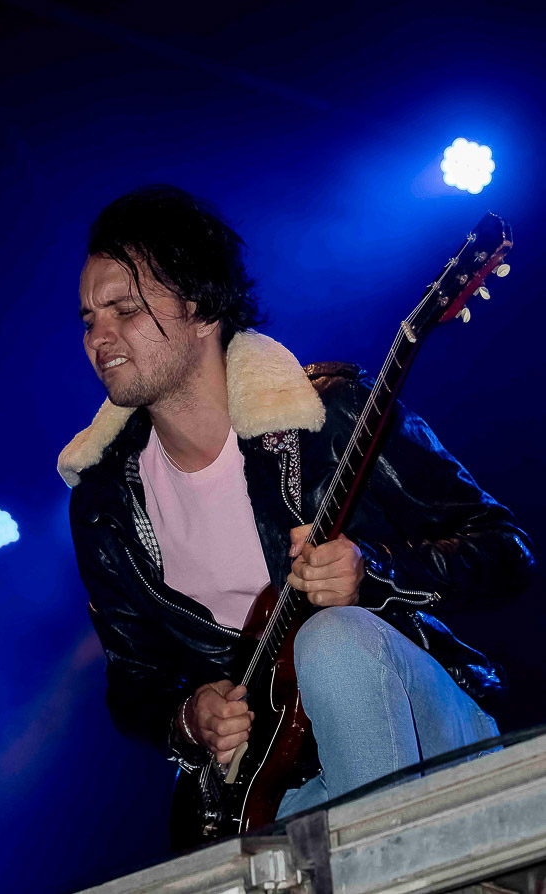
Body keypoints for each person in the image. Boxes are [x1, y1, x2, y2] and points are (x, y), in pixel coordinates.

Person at [58, 185, 533, 828]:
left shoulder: (327, 416)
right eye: (89, 319)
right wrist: (188, 717)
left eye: (125, 310)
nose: (100, 336)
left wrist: (374, 570)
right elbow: (133, 682)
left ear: (201, 309)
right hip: (284, 781)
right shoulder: (103, 506)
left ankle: (388, 854)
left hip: (425, 737)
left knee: (331, 639)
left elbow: (506, 551)